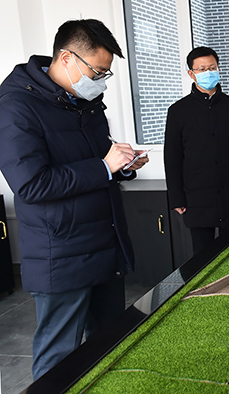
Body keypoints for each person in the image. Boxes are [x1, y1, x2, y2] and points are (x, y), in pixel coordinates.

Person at [0, 19, 148, 379]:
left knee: (110, 347)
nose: (100, 81)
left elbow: (97, 161)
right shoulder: (16, 107)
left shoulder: (85, 102)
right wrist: (104, 166)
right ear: (66, 58)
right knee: (58, 359)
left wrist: (122, 166)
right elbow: (32, 185)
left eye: (105, 74)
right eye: (97, 72)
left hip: (104, 245)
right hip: (61, 256)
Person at [164, 47, 229, 254]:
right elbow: (172, 158)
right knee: (202, 257)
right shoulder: (178, 111)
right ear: (191, 73)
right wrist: (176, 198)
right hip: (197, 198)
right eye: (202, 69)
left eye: (212, 67)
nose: (208, 72)